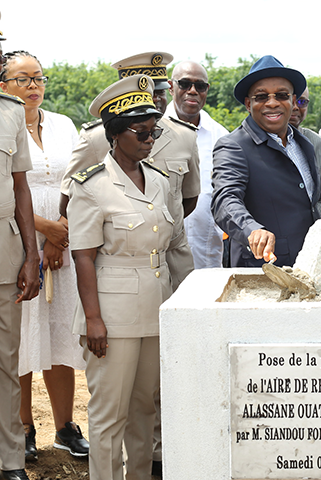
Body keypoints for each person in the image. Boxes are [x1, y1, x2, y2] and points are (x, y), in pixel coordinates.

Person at [67, 74, 173, 480]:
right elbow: (83, 257)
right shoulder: (92, 186)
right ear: (115, 134)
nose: (150, 138)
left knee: (144, 408)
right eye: (141, 131)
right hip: (110, 314)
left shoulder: (160, 182)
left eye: (154, 130)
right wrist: (93, 319)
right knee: (109, 412)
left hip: (154, 306)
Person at [0, 50, 88, 462]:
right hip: (19, 238)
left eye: (39, 78)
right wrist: (42, 230)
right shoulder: (4, 124)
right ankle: (22, 428)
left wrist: (59, 235)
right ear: (3, 85)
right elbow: (8, 190)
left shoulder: (63, 124)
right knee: (23, 334)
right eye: (23, 79)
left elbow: (79, 179)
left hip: (64, 242)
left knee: (60, 332)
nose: (33, 86)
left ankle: (66, 427)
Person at [60, 52, 199, 292]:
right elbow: (70, 200)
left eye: (161, 92)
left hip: (175, 259)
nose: (156, 100)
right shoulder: (96, 137)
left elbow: (189, 198)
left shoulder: (185, 136)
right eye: (148, 94)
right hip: (120, 268)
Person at [211, 55, 320, 267]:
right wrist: (252, 230)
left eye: (281, 95)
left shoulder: (304, 144)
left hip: (308, 265)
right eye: (261, 97)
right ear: (248, 103)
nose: (272, 103)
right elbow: (225, 200)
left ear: (292, 101)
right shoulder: (233, 146)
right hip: (262, 269)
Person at [0, 16, 40, 480]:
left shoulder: (10, 113)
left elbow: (21, 188)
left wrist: (31, 256)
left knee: (5, 365)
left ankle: (10, 460)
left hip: (5, 255)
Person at [166, 61, 229, 269]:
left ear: (206, 90)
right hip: (161, 254)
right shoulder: (152, 131)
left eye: (199, 86)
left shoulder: (221, 137)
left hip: (207, 254)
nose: (192, 91)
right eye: (184, 84)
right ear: (170, 87)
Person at [288, 87, 321, 211]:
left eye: (301, 102)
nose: (295, 107)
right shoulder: (246, 144)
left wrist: (302, 220)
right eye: (289, 100)